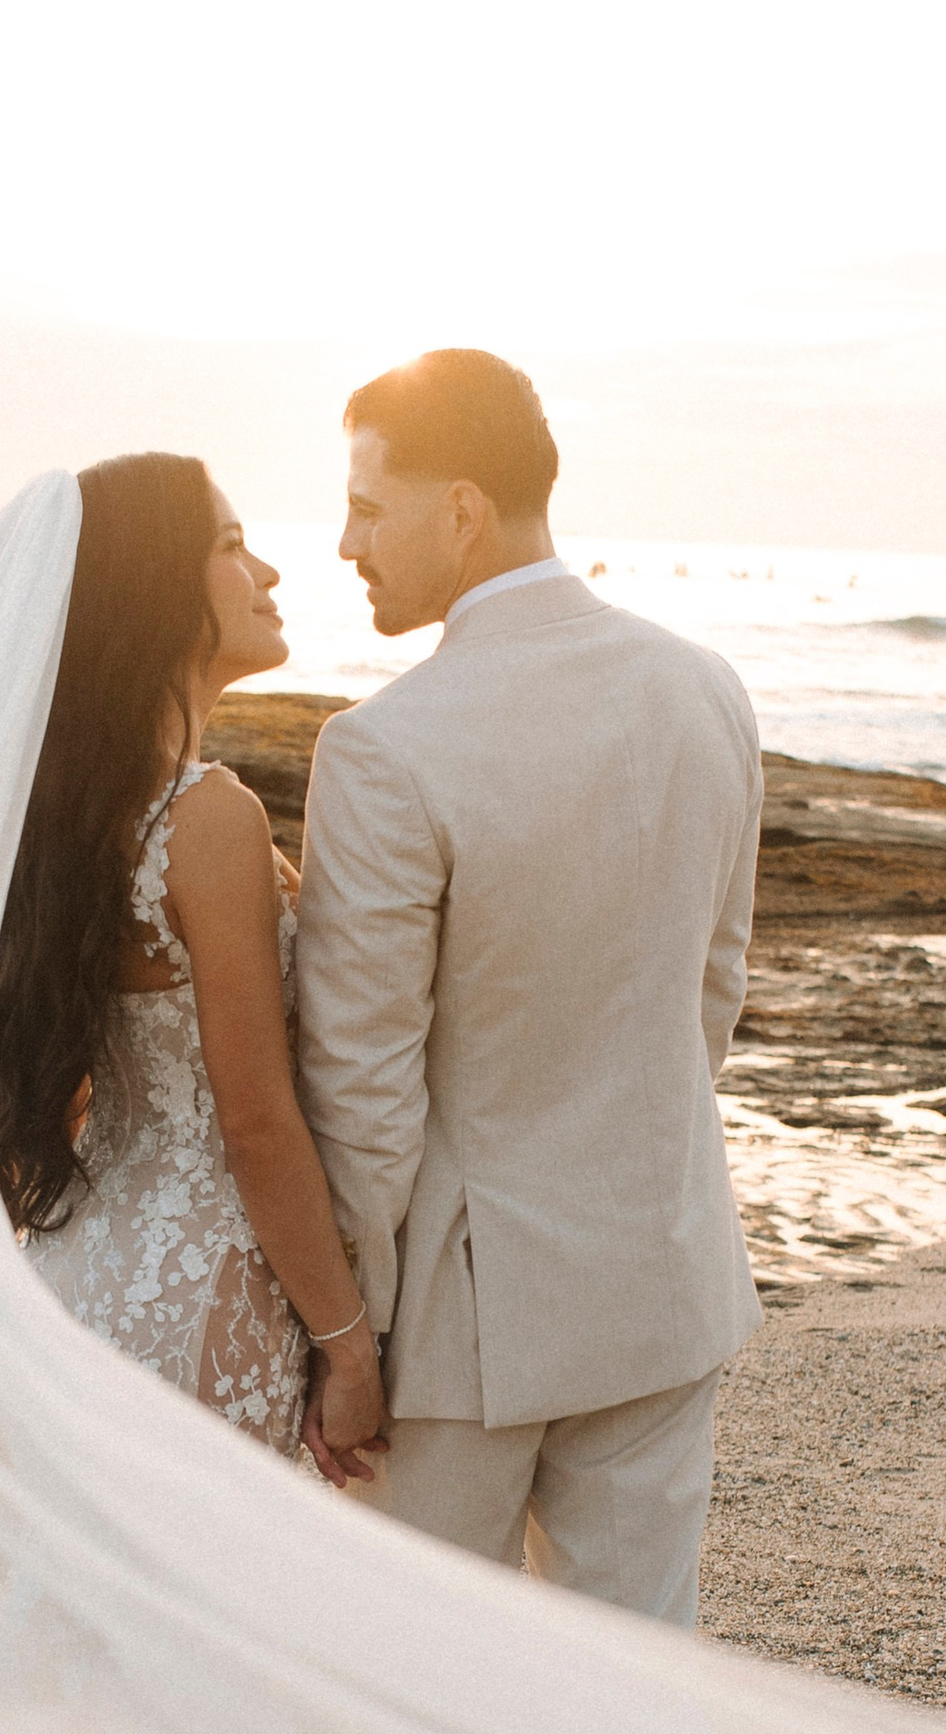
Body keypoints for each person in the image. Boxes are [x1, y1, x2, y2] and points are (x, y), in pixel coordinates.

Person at [293, 349, 764, 1623]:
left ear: (459, 509)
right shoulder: (703, 690)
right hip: (657, 1274)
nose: (344, 543)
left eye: (367, 506)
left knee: (409, 1692)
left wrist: (348, 1336)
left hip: (454, 1329)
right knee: (633, 1689)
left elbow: (361, 1086)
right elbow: (708, 989)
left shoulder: (389, 747)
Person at [0, 452, 385, 1471]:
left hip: (75, 1269)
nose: (269, 574)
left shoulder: (61, 812)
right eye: (230, 545)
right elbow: (252, 1120)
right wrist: (345, 1347)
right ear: (158, 589)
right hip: (201, 1292)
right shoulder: (203, 817)